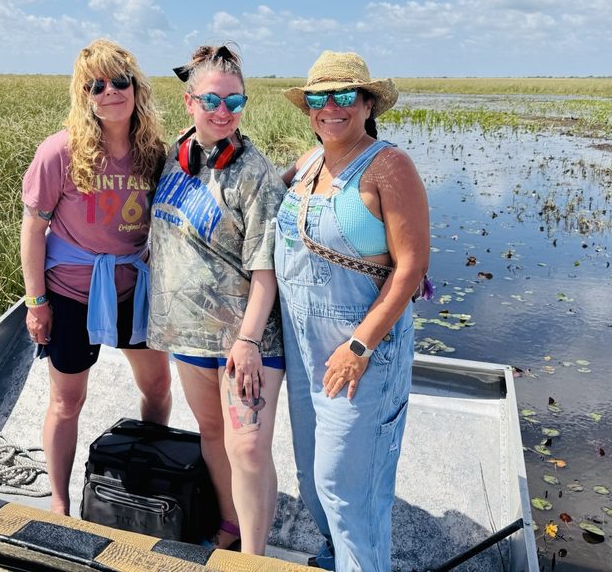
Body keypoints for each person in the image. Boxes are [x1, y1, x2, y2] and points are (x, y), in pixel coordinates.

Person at [275, 51, 430, 572]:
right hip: (303, 351)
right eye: (318, 98)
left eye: (344, 95)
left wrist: (359, 346)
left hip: (361, 353)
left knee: (349, 490)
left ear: (367, 104)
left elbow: (410, 268)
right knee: (313, 475)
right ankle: (335, 556)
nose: (330, 107)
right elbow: (256, 196)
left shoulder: (389, 166)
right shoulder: (308, 163)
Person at [21, 38, 172, 516]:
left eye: (120, 82)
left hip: (132, 288)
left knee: (158, 388)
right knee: (67, 401)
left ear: (136, 88)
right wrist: (36, 302)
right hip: (71, 292)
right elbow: (33, 230)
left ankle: (150, 476)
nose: (110, 92)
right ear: (83, 95)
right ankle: (60, 501)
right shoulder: (59, 152)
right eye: (96, 85)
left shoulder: (154, 152)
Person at [147, 44, 287, 555]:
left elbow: (266, 270)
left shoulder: (255, 174)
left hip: (245, 340)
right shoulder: (173, 158)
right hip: (186, 332)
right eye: (211, 100)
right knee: (211, 433)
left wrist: (247, 341)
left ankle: (253, 557)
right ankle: (230, 523)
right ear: (190, 102)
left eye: (234, 101)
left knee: (247, 447)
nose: (223, 112)